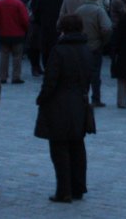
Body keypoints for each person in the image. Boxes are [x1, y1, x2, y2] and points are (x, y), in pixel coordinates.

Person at [34, 14, 94, 203]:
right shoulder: (86, 50)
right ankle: (78, 187)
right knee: (77, 147)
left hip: (59, 103)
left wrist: (42, 98)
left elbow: (50, 80)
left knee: (59, 148)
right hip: (80, 101)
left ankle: (64, 190)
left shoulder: (59, 51)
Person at [76, 0, 113, 103]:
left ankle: (83, 96)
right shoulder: (99, 11)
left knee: (82, 72)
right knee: (95, 73)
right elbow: (107, 28)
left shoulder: (79, 10)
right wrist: (103, 41)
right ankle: (96, 98)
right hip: (95, 45)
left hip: (82, 45)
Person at [0, 0, 30, 84]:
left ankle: (3, 76)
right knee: (17, 56)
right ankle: (16, 76)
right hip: (18, 33)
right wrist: (25, 29)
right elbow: (25, 19)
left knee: (4, 56)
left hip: (4, 32)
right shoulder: (18, 4)